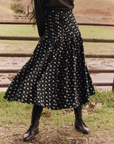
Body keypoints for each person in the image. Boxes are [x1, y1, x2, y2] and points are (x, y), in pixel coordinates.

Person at [3, 0, 95, 142]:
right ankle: (34, 126)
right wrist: (45, 35)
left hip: (71, 29)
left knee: (74, 74)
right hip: (52, 30)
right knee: (42, 76)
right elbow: (40, 12)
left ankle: (79, 121)